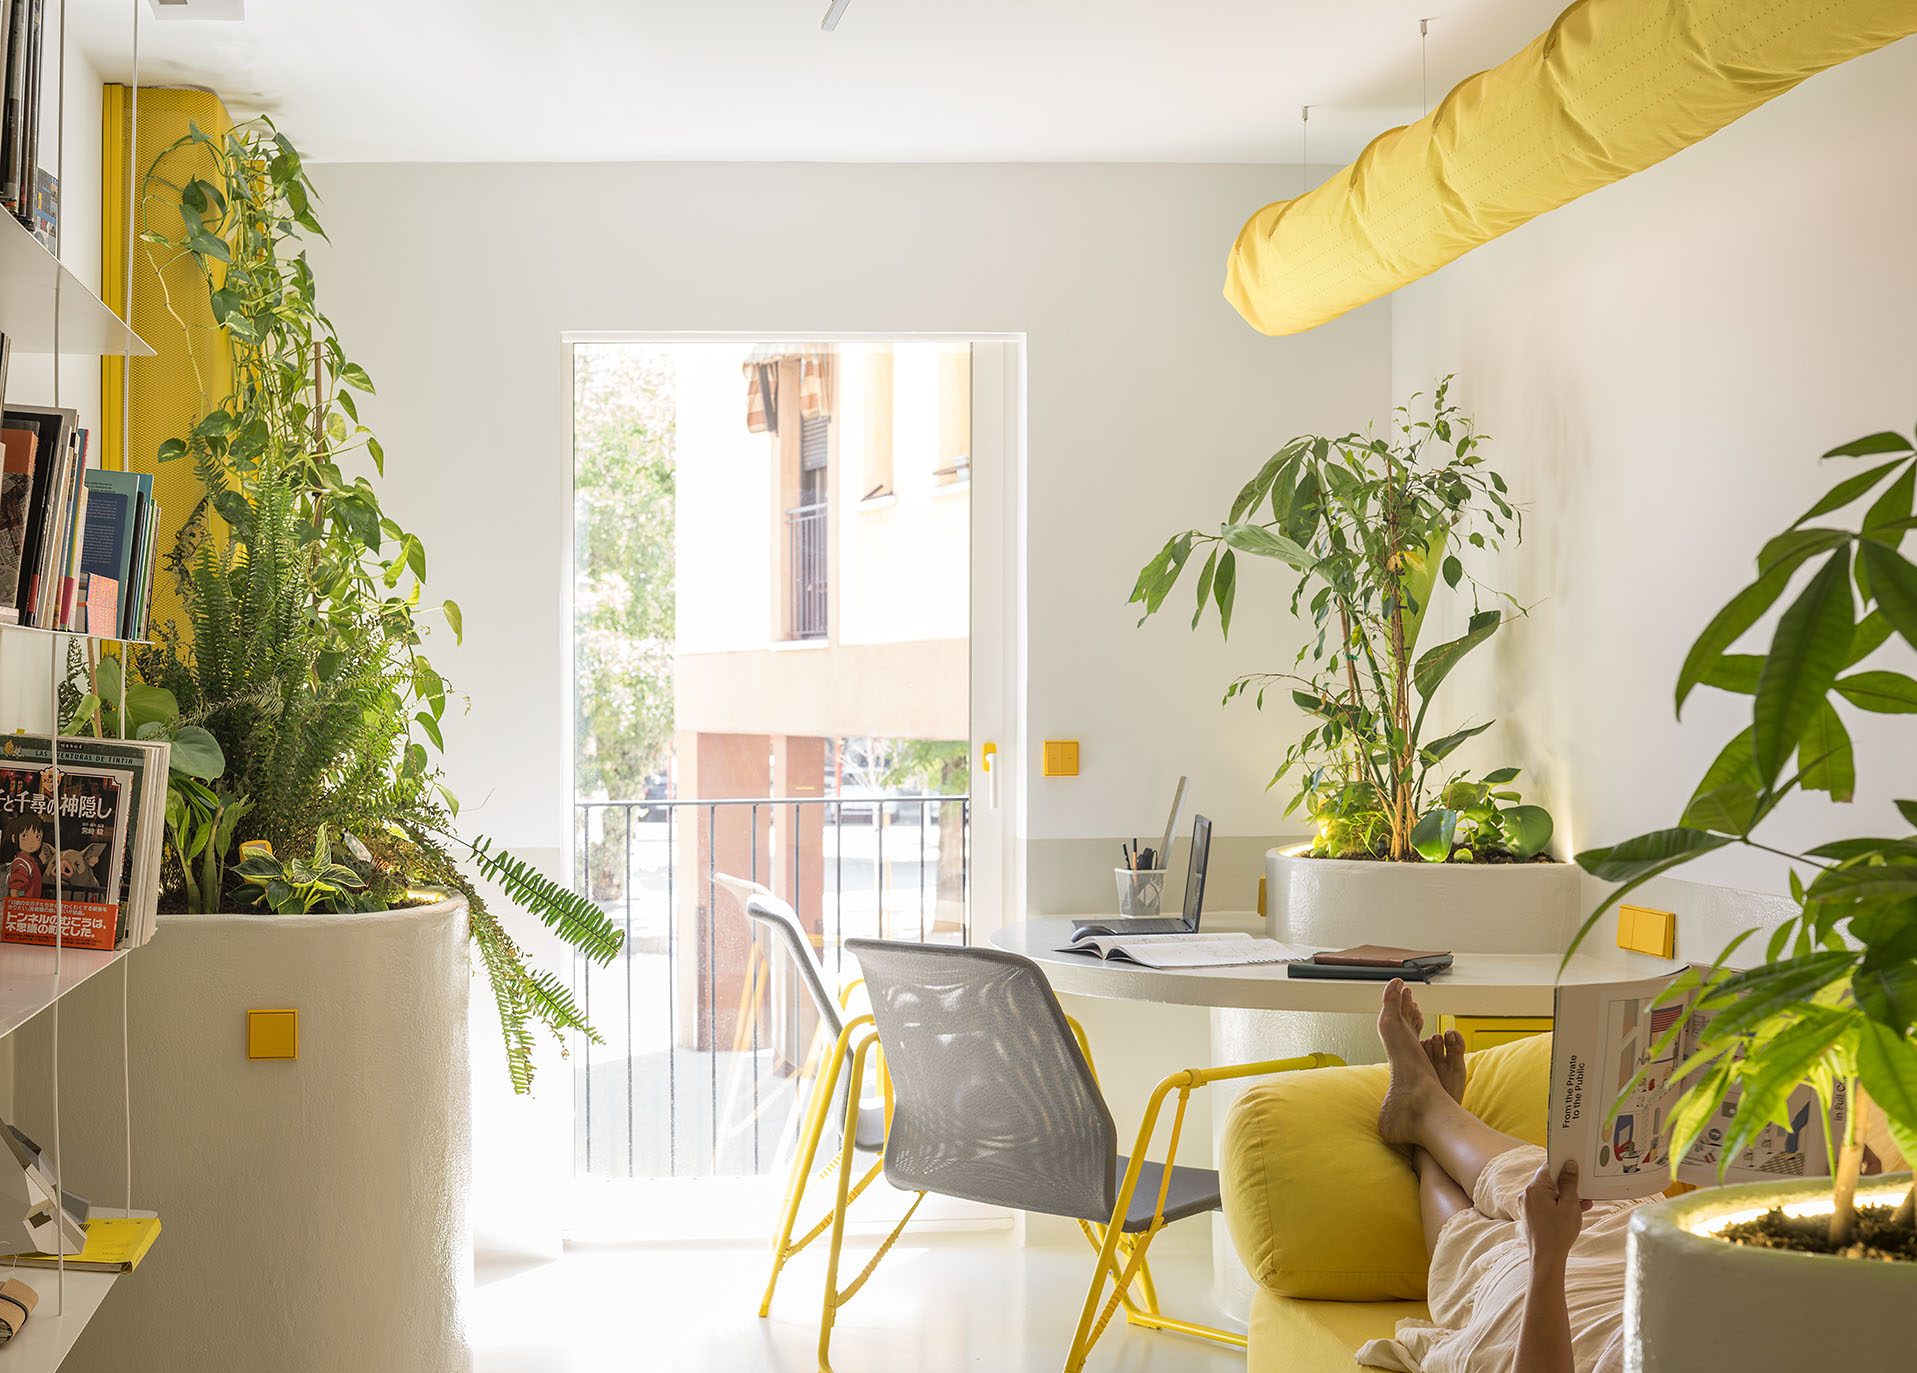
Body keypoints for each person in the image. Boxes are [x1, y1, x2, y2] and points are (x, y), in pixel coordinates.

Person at [1357, 979, 1635, 1373]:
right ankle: (1425, 1122)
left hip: (1568, 1334)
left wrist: (1549, 1260)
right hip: (1649, 1274)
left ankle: (1425, 1110)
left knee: (1500, 1243)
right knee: (1604, 1203)